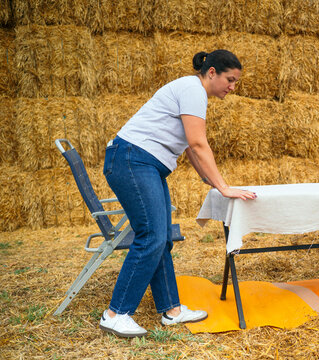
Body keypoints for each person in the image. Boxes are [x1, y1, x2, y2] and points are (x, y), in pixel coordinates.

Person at [99, 50, 257, 338]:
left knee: (162, 238)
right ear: (212, 73)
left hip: (143, 163)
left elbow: (188, 147)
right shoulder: (192, 89)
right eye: (230, 80)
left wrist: (210, 180)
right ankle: (115, 313)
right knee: (152, 236)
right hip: (133, 159)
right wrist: (222, 186)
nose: (233, 87)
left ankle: (171, 310)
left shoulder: (193, 92)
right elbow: (198, 144)